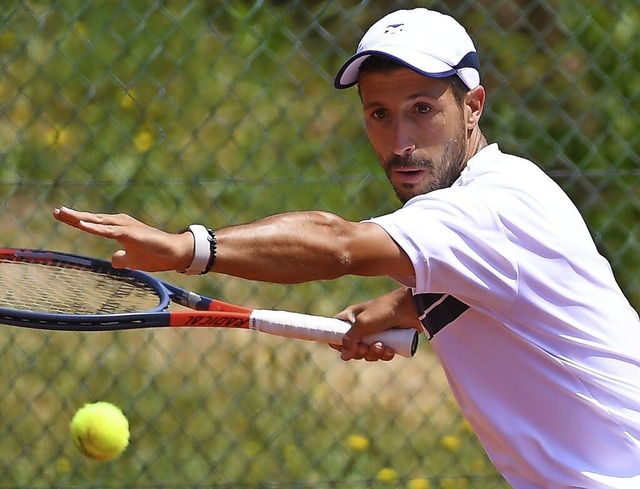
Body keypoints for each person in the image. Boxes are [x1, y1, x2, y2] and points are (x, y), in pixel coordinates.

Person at [53, 8, 640, 488]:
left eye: (423, 109)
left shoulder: (488, 210)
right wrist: (401, 309)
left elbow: (337, 245)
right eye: (379, 114)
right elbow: (495, 293)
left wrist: (188, 248)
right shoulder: (509, 188)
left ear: (473, 106)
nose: (401, 141)